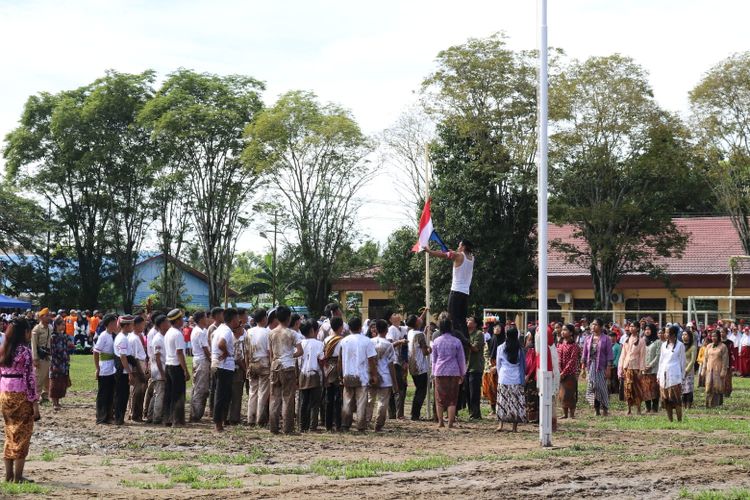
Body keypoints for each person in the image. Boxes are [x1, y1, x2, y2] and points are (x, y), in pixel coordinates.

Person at [0, 319, 40, 483]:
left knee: (10, 433)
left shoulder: (4, 349)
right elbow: (30, 379)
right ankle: (18, 476)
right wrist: (35, 403)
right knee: (23, 435)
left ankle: (8, 475)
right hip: (21, 396)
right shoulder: (25, 352)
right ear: (24, 333)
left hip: (5, 394)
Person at [423, 240, 475, 336]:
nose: (458, 247)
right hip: (465, 293)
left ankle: (455, 339)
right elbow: (452, 254)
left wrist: (430, 251)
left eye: (459, 246)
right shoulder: (472, 258)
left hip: (456, 292)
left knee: (452, 319)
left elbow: (443, 255)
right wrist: (451, 252)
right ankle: (466, 342)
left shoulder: (459, 255)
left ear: (463, 247)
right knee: (462, 320)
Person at [339, 317, 378, 433]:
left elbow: (340, 360)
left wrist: (340, 375)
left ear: (349, 328)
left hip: (347, 374)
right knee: (361, 402)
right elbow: (371, 360)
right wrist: (374, 375)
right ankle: (361, 426)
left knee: (347, 401)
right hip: (362, 376)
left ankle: (345, 424)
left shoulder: (344, 341)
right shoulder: (367, 341)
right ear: (360, 328)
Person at [430, 315, 465, 429]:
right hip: (454, 371)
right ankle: (450, 423)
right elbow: (461, 359)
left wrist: (433, 373)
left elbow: (434, 359)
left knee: (439, 398)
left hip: (439, 371)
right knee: (452, 398)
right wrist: (462, 373)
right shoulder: (457, 341)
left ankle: (440, 422)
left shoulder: (436, 341)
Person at [366, 319, 398, 432]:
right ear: (386, 330)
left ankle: (366, 421)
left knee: (370, 400)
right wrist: (395, 383)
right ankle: (378, 424)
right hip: (385, 376)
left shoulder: (369, 342)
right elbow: (391, 364)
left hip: (371, 375)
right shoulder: (388, 345)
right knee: (382, 402)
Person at [494, 327, 526, 432]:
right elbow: (523, 365)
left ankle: (501, 425)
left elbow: (498, 365)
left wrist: (500, 375)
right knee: (515, 402)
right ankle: (514, 427)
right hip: (516, 378)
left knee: (502, 401)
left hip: (504, 377)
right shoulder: (520, 349)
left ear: (506, 335)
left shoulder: (500, 348)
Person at [581, 318, 614, 417]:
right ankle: (596, 409)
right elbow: (584, 354)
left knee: (602, 388)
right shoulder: (588, 338)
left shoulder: (606, 339)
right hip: (591, 366)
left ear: (600, 326)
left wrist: (608, 368)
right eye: (592, 324)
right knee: (592, 387)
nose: (593, 326)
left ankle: (605, 408)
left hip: (601, 367)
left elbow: (609, 355)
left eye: (595, 324)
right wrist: (583, 368)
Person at [212, 308, 237, 432]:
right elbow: (221, 344)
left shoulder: (221, 329)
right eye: (237, 318)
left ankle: (219, 421)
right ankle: (218, 423)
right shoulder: (227, 331)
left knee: (222, 394)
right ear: (233, 319)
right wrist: (226, 352)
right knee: (222, 395)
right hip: (224, 366)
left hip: (221, 365)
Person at [163, 309, 190, 427]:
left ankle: (168, 419)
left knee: (169, 393)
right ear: (178, 320)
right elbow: (179, 353)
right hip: (176, 366)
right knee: (178, 394)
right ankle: (177, 420)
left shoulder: (169, 332)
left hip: (168, 365)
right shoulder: (178, 334)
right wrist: (185, 370)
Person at [245, 308, 271, 427]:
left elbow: (246, 351)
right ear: (264, 318)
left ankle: (251, 418)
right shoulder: (267, 332)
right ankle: (260, 419)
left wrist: (247, 366)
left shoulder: (249, 332)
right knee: (263, 392)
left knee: (252, 391)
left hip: (252, 363)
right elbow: (269, 352)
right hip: (264, 363)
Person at [297, 320, 324, 432]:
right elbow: (321, 360)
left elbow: (297, 361)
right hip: (315, 374)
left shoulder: (300, 343)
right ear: (313, 330)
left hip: (302, 374)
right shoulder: (319, 344)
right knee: (315, 402)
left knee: (303, 401)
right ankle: (313, 426)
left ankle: (302, 425)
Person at [93, 314, 118, 424]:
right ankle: (101, 417)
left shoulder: (112, 335)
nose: (115, 325)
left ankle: (109, 415)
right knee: (103, 393)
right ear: (108, 324)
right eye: (113, 323)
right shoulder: (103, 335)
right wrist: (97, 368)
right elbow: (96, 352)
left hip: (112, 366)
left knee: (110, 392)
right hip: (105, 367)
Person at [658, 325, 686, 422]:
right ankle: (670, 420)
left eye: (667, 333)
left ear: (673, 334)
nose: (665, 334)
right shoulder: (663, 345)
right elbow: (661, 361)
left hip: (675, 376)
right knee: (666, 400)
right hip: (664, 375)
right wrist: (658, 375)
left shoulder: (680, 345)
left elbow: (683, 362)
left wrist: (682, 377)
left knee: (676, 399)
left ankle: (679, 420)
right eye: (665, 332)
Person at [406, 310, 430, 420]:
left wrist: (425, 312)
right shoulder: (419, 335)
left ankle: (414, 413)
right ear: (416, 323)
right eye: (418, 319)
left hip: (412, 367)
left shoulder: (410, 332)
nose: (420, 319)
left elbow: (419, 321)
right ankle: (415, 414)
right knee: (421, 391)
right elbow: (425, 352)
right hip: (420, 367)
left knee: (418, 390)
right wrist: (431, 349)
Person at [323, 317, 345, 432]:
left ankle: (328, 424)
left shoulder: (326, 339)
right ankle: (338, 424)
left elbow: (324, 354)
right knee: (338, 398)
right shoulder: (342, 340)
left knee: (328, 398)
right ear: (341, 326)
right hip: (338, 367)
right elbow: (342, 356)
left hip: (327, 368)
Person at [113, 315, 135, 426]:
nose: (133, 326)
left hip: (123, 370)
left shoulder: (124, 337)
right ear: (126, 326)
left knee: (123, 394)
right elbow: (123, 357)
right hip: (121, 371)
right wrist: (130, 372)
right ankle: (118, 418)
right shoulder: (122, 338)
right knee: (121, 395)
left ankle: (119, 417)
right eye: (131, 324)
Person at [619, 322, 645, 415]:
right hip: (627, 367)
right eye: (630, 326)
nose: (631, 328)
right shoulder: (626, 340)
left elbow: (642, 356)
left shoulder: (641, 341)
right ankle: (629, 409)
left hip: (636, 368)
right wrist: (621, 367)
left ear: (638, 328)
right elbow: (623, 355)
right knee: (627, 389)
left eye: (633, 326)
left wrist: (641, 370)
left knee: (637, 389)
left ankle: (638, 409)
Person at [385, 312, 408, 420]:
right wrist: (400, 341)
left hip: (400, 362)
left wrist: (424, 312)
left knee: (400, 387)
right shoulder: (391, 330)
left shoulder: (402, 328)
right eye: (394, 314)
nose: (397, 315)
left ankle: (395, 413)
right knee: (398, 388)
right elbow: (390, 345)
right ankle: (397, 414)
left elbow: (415, 323)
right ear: (391, 319)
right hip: (394, 362)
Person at [189, 311, 211, 422]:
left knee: (196, 387)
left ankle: (194, 412)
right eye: (206, 317)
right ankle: (196, 414)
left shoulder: (196, 330)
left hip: (197, 360)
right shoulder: (200, 332)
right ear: (201, 319)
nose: (207, 319)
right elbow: (206, 349)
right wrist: (211, 360)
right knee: (201, 388)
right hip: (202, 361)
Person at [147, 316, 169, 424]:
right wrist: (162, 373)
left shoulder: (164, 336)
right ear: (161, 325)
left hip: (161, 369)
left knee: (157, 394)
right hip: (159, 370)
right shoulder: (158, 338)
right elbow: (158, 358)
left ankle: (151, 415)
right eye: (166, 322)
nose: (168, 324)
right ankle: (156, 417)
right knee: (160, 394)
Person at [700, 330, 729, 408]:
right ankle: (708, 404)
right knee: (709, 386)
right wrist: (703, 369)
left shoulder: (723, 346)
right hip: (709, 369)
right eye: (712, 336)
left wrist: (723, 371)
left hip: (718, 370)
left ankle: (717, 404)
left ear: (719, 337)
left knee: (717, 387)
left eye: (715, 336)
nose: (713, 338)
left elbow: (725, 360)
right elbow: (705, 359)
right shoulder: (709, 346)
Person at [48, 317, 72, 411]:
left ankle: (58, 401)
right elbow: (53, 351)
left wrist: (67, 357)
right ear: (57, 325)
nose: (64, 326)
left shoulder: (64, 336)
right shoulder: (53, 337)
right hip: (56, 363)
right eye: (62, 324)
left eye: (64, 324)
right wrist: (57, 362)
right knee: (55, 382)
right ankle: (54, 402)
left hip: (64, 362)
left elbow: (66, 348)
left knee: (61, 382)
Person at [127, 316, 148, 422]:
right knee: (138, 392)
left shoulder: (133, 336)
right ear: (136, 325)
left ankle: (133, 413)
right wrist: (141, 372)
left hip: (138, 366)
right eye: (142, 324)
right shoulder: (134, 338)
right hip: (137, 367)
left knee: (135, 392)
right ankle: (135, 415)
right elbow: (135, 358)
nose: (144, 327)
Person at [557, 324, 580, 419]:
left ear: (571, 333)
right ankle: (564, 413)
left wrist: (564, 372)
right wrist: (559, 371)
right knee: (562, 393)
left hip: (570, 373)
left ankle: (572, 414)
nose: (562, 332)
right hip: (561, 372)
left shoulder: (574, 346)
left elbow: (572, 361)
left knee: (570, 393)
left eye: (565, 330)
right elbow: (558, 359)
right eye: (562, 330)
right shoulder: (561, 344)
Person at [31, 308, 52, 404]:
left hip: (48, 355)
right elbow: (33, 344)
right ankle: (35, 396)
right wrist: (35, 358)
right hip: (40, 356)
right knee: (39, 377)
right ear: (41, 317)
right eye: (47, 315)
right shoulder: (36, 329)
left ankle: (45, 395)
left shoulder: (50, 328)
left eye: (49, 315)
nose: (49, 317)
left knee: (47, 377)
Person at [465, 315, 485, 420]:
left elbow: (475, 348)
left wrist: (466, 341)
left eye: (470, 320)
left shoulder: (479, 334)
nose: (468, 321)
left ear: (475, 324)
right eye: (467, 320)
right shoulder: (466, 333)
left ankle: (476, 413)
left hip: (475, 367)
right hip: (466, 367)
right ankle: (471, 412)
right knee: (467, 392)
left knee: (474, 392)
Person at [228, 316, 247, 426]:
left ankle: (227, 416)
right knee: (236, 395)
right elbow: (239, 359)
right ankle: (234, 418)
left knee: (229, 394)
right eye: (241, 328)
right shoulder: (237, 341)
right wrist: (246, 369)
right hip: (237, 370)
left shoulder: (229, 338)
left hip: (229, 369)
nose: (242, 329)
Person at [206, 307, 224, 418]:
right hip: (216, 359)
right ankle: (212, 409)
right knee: (214, 386)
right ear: (216, 316)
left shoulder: (221, 327)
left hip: (220, 359)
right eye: (222, 314)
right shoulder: (213, 328)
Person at [482, 323, 503, 416]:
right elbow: (486, 354)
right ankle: (493, 408)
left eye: (498, 327)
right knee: (489, 388)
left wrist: (497, 366)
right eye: (495, 327)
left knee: (499, 387)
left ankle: (501, 407)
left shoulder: (504, 342)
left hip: (501, 366)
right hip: (490, 365)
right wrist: (489, 365)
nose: (496, 329)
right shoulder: (490, 340)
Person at [641, 324, 661, 413]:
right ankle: (647, 407)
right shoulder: (642, 341)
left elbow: (658, 355)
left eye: (649, 329)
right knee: (645, 389)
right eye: (645, 329)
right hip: (644, 369)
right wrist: (643, 366)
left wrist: (650, 365)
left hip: (653, 370)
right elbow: (640, 355)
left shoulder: (657, 342)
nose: (647, 331)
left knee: (654, 389)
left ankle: (655, 407)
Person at [682, 329, 697, 409]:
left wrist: (686, 370)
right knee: (683, 388)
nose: (684, 336)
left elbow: (692, 360)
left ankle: (689, 404)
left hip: (689, 370)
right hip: (681, 370)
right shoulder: (680, 346)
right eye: (683, 334)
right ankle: (683, 404)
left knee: (689, 388)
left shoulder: (693, 347)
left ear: (689, 336)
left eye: (686, 335)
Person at [720, 328, 735, 397]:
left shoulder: (730, 343)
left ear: (726, 333)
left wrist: (732, 364)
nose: (721, 334)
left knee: (728, 379)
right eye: (720, 332)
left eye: (723, 332)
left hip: (728, 363)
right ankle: (720, 391)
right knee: (720, 378)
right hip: (719, 362)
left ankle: (727, 392)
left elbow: (732, 354)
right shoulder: (718, 342)